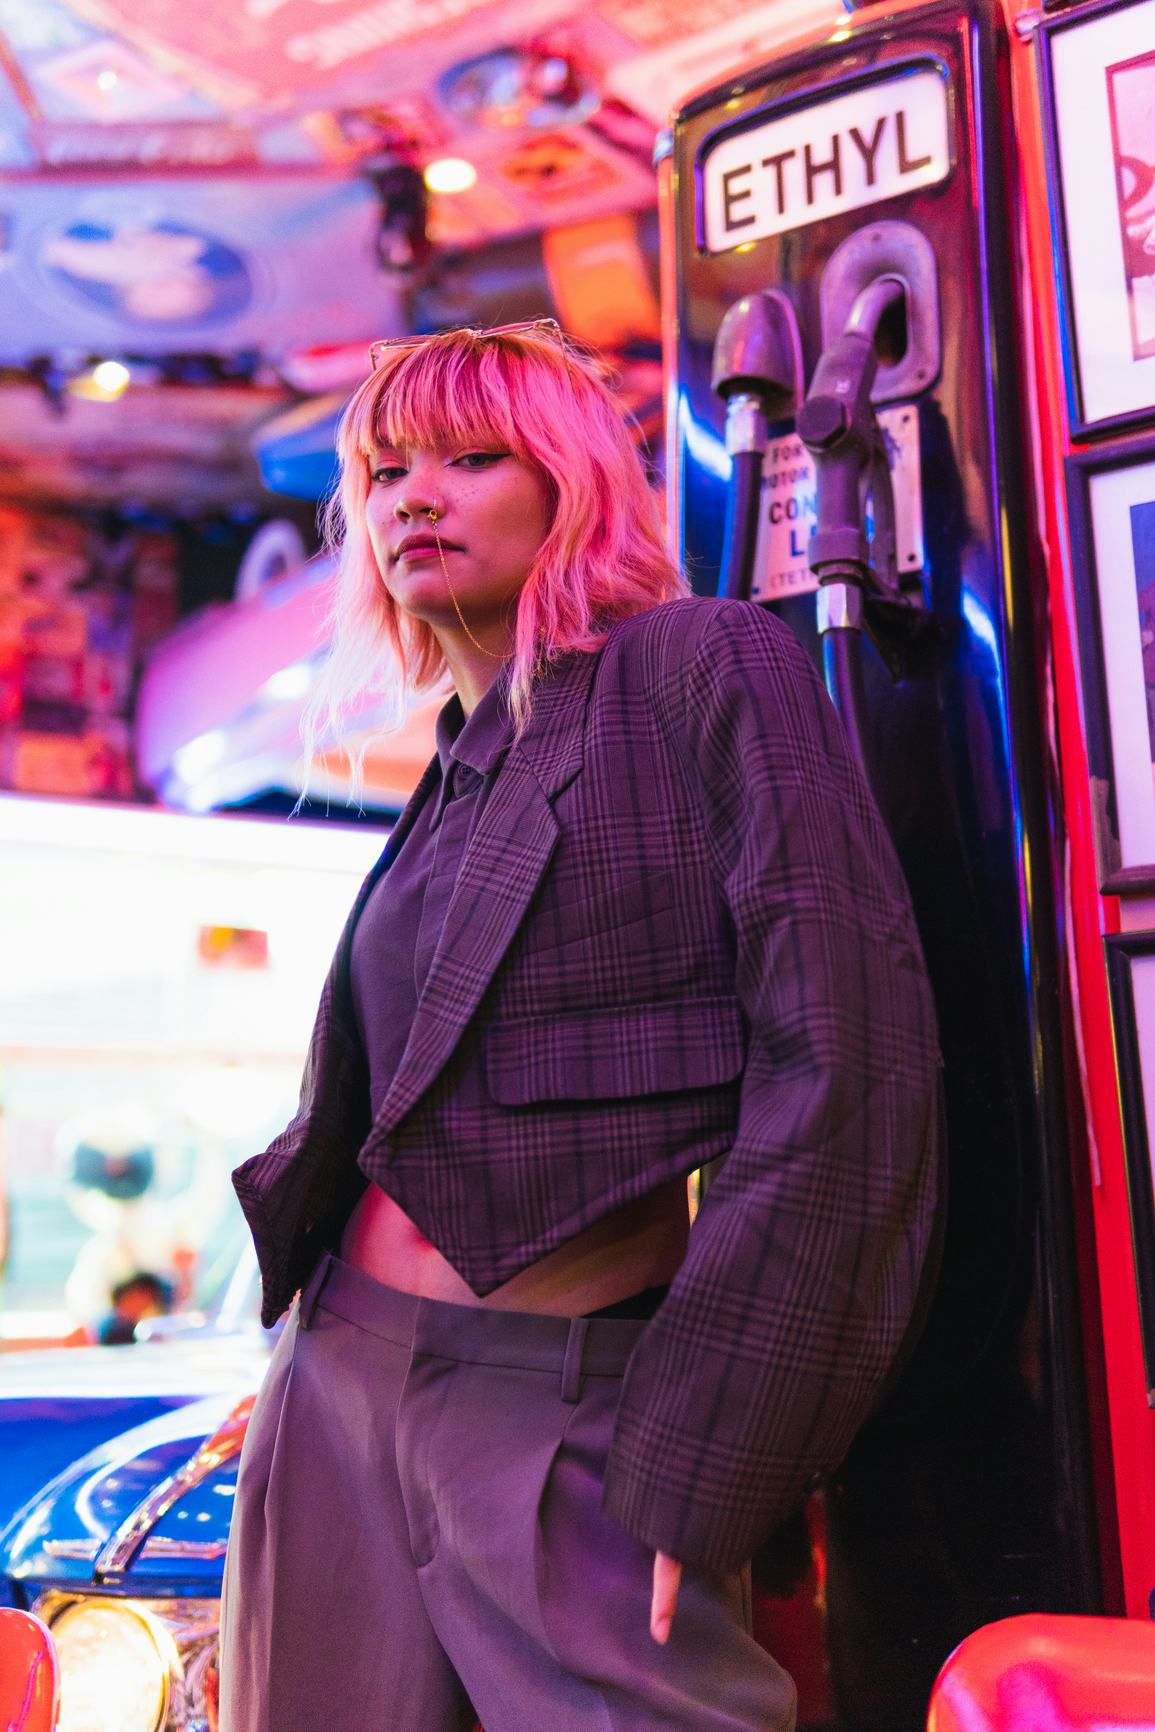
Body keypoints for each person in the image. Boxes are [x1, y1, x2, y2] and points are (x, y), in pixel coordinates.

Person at [219, 320, 941, 1732]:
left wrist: (718, 1442)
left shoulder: (696, 665)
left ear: (572, 484)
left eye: (471, 458)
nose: (414, 499)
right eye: (385, 473)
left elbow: (849, 1062)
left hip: (559, 1397)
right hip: (334, 1377)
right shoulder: (457, 765)